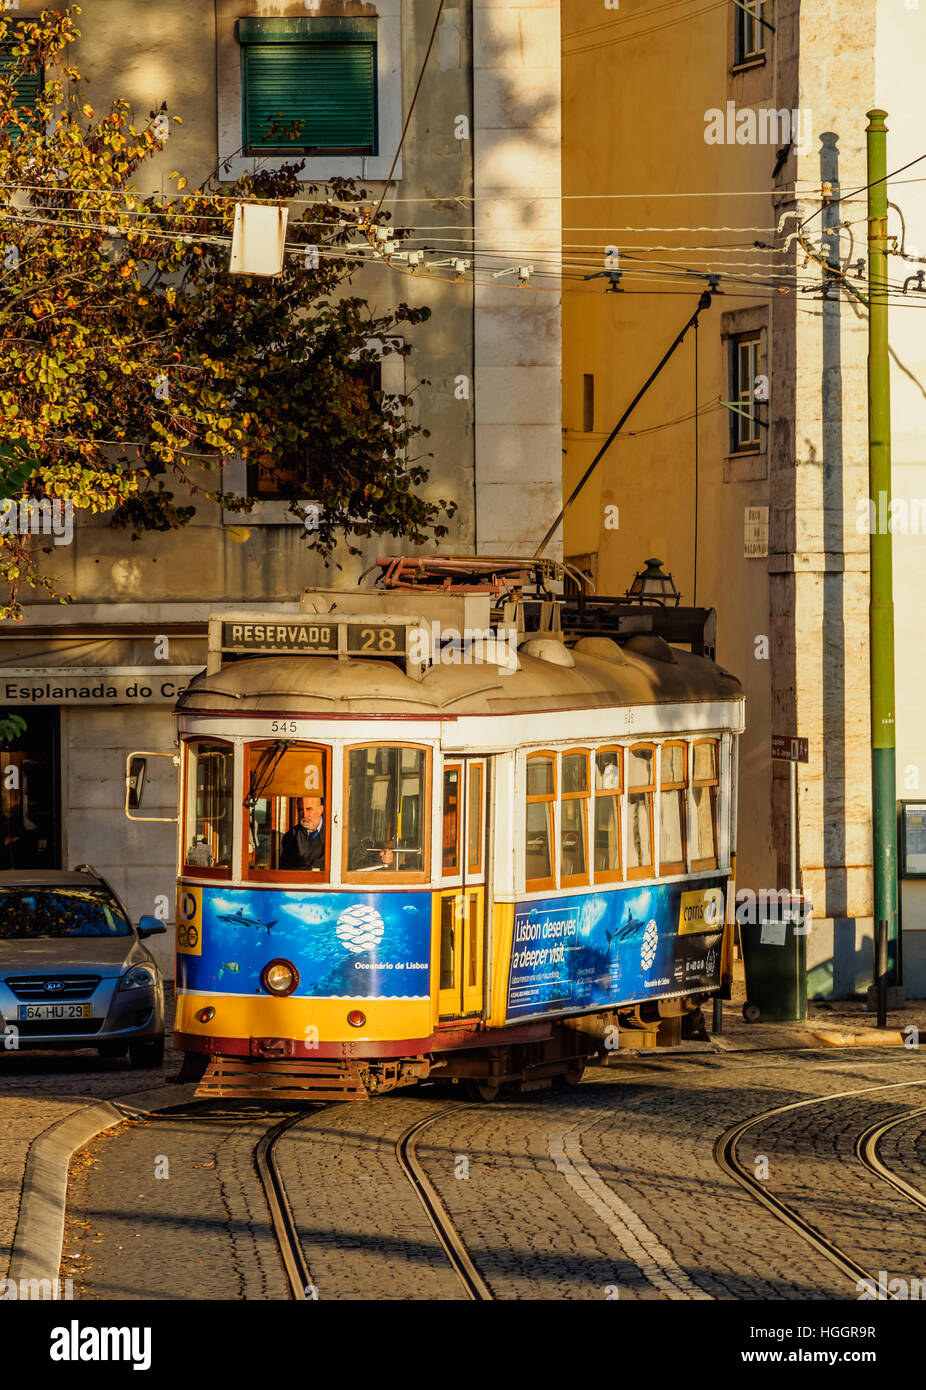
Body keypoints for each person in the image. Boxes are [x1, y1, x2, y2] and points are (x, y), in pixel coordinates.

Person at [279, 796, 326, 870]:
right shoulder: (290, 837)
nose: (304, 815)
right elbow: (285, 871)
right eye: (301, 809)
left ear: (320, 810)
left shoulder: (333, 833)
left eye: (309, 809)